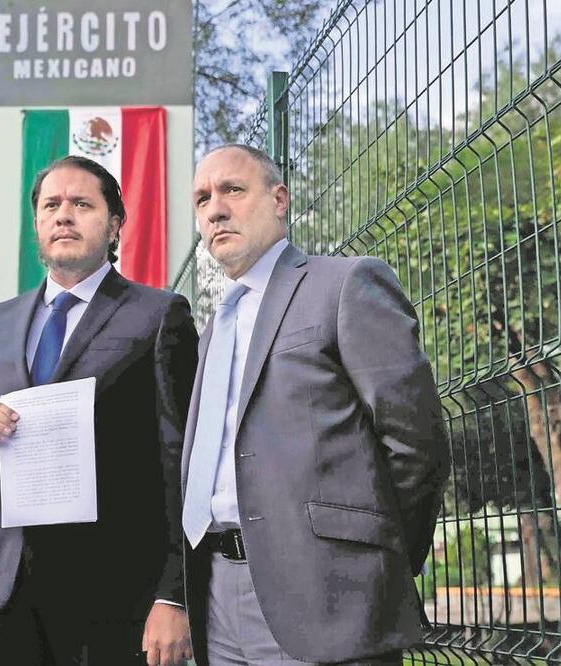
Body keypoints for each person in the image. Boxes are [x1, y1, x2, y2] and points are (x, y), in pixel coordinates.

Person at [180, 145, 449, 665]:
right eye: (202, 199)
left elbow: (416, 442)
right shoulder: (214, 328)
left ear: (279, 199)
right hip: (214, 595)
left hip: (327, 594)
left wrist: (373, 562)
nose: (214, 209)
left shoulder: (344, 284)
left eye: (233, 190)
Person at [0, 155, 199, 666]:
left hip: (116, 596)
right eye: (51, 205)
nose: (64, 215)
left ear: (115, 223)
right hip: (3, 591)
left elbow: (183, 459)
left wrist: (174, 592)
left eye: (82, 204)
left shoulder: (159, 314)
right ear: (37, 222)